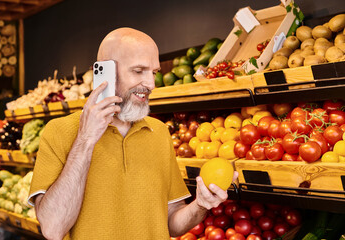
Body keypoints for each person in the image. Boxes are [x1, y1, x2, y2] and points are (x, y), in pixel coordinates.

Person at [28, 27, 237, 240]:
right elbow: (53, 229)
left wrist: (200, 205)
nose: (151, 84)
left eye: (154, 72)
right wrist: (86, 139)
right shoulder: (60, 131)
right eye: (138, 71)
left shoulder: (159, 133)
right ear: (102, 71)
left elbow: (172, 222)